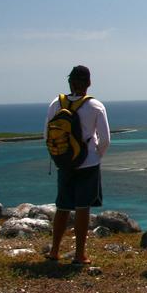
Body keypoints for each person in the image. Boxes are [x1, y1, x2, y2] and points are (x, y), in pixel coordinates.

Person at [45, 65, 110, 265]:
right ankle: (79, 254)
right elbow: (105, 138)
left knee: (62, 207)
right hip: (88, 163)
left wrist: (60, 157)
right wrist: (95, 154)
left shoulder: (56, 103)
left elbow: (47, 135)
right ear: (88, 83)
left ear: (70, 82)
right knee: (83, 207)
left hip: (64, 163)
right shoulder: (95, 106)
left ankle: (54, 251)